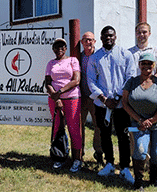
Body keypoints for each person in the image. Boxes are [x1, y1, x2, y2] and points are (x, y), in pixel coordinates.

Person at [87, 25, 136, 184]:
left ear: (115, 37)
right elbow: (91, 80)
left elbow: (131, 76)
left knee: (123, 136)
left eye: (111, 36)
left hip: (122, 104)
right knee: (104, 134)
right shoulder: (95, 58)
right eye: (105, 36)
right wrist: (103, 99)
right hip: (102, 105)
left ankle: (124, 167)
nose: (108, 38)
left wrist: (118, 96)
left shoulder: (126, 54)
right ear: (101, 38)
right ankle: (109, 163)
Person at [122, 53, 157, 190]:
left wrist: (151, 121)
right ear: (139, 65)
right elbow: (125, 103)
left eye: (149, 63)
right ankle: (138, 182)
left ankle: (153, 179)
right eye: (143, 63)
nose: (146, 66)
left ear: (154, 66)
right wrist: (140, 120)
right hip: (138, 124)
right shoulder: (131, 82)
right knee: (140, 150)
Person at [45, 38, 82, 172]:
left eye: (62, 46)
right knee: (57, 128)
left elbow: (76, 80)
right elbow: (47, 83)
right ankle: (59, 157)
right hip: (55, 100)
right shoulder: (51, 63)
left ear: (65, 48)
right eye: (56, 47)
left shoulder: (73, 60)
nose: (59, 49)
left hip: (72, 99)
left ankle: (77, 160)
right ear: (53, 49)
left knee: (74, 129)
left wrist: (59, 92)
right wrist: (56, 98)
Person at [79, 31, 103, 165]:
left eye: (90, 40)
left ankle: (98, 153)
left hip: (96, 98)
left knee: (98, 126)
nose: (88, 42)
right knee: (80, 125)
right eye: (85, 40)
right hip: (81, 97)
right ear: (82, 42)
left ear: (94, 42)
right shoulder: (79, 56)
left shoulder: (99, 56)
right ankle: (79, 153)